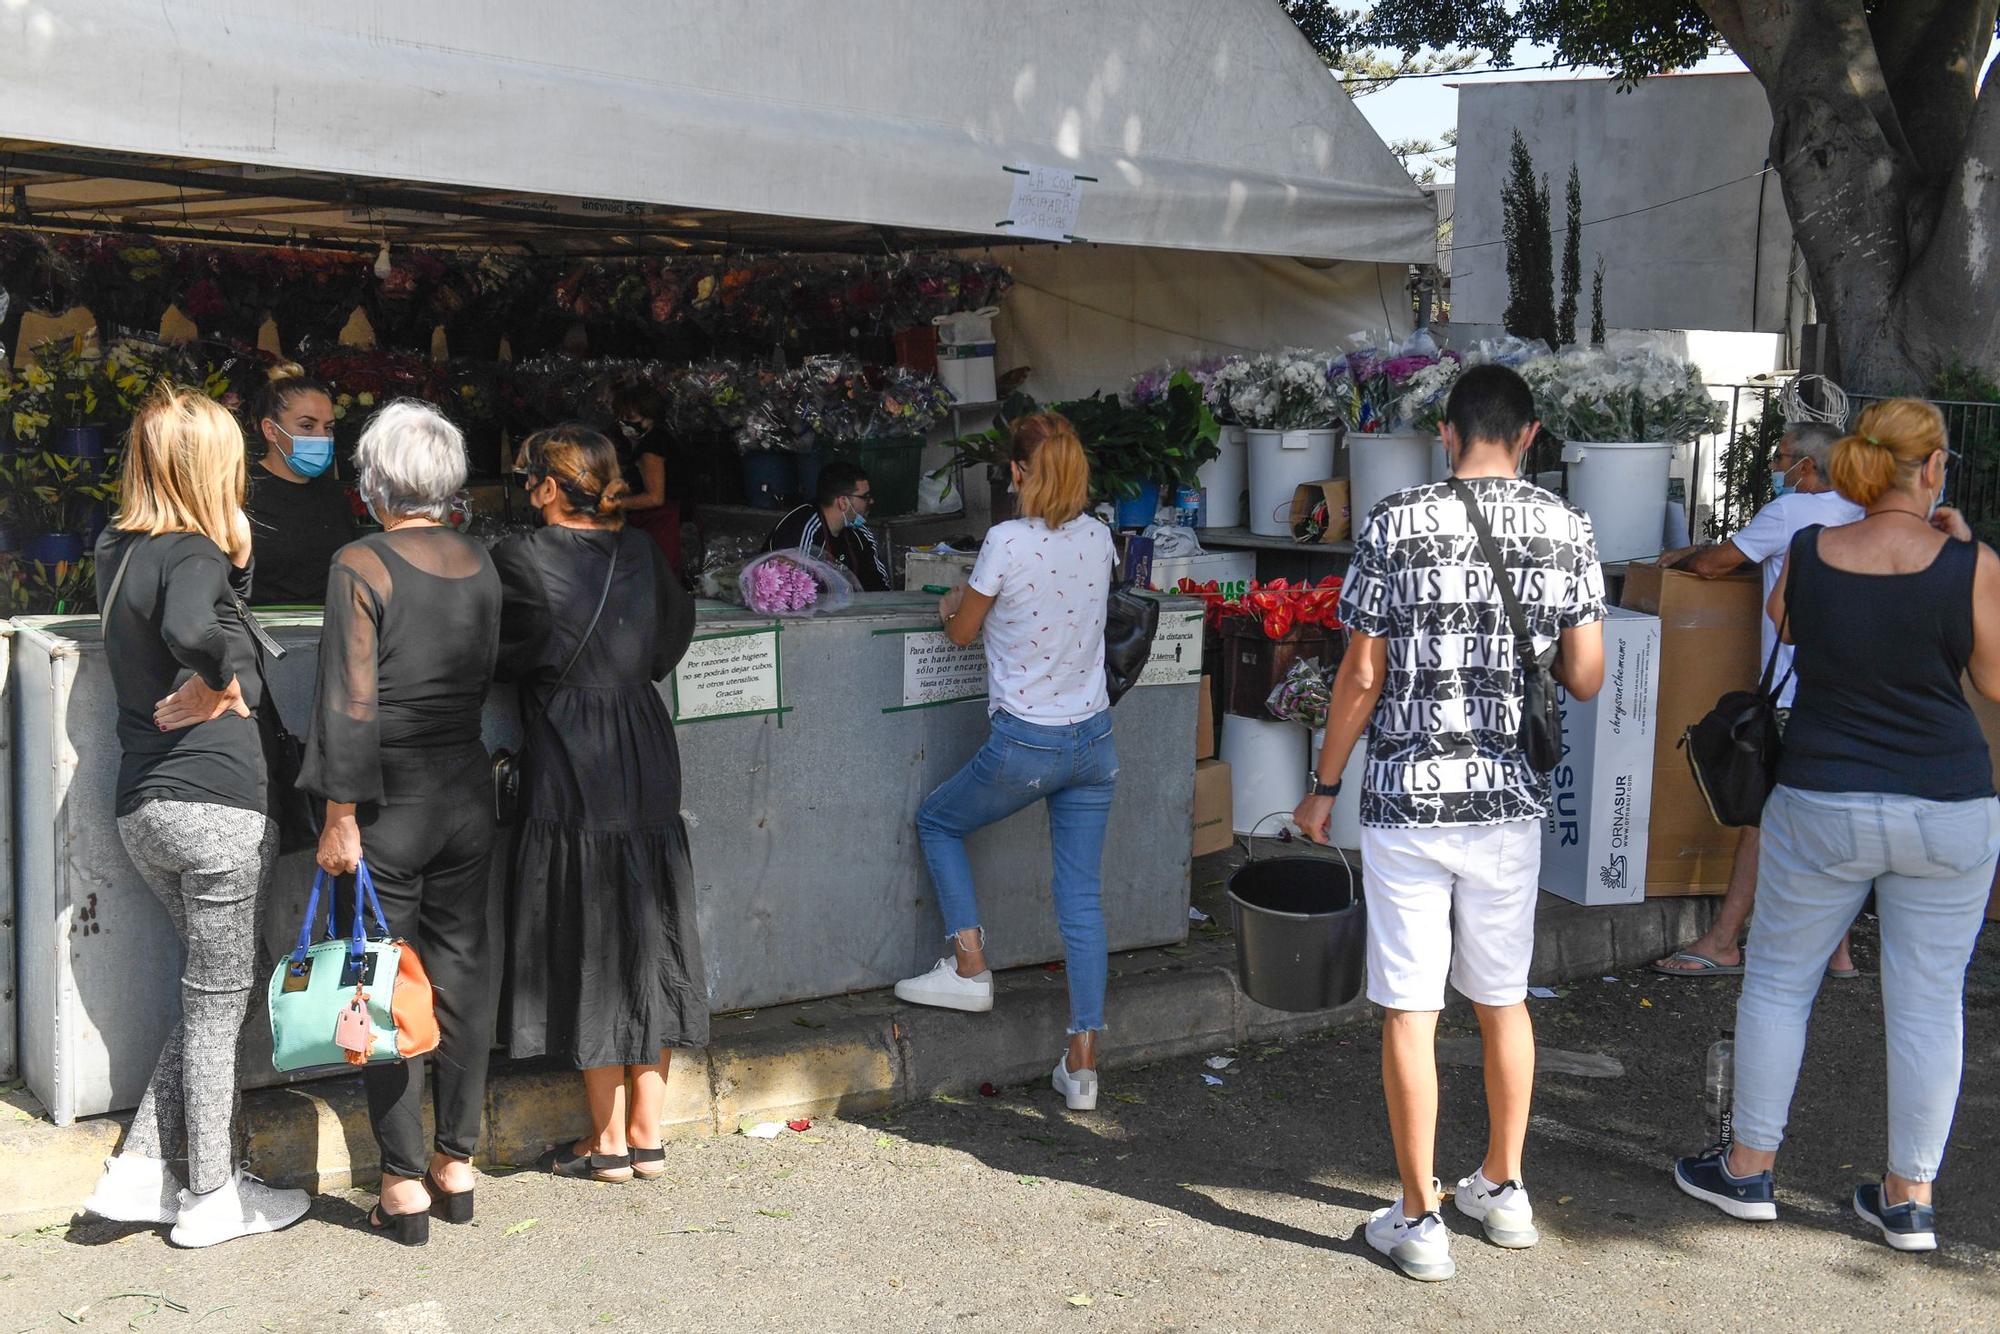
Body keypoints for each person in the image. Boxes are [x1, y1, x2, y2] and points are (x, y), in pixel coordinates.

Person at [1294, 365, 1606, 1283]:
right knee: (1502, 997)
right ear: (1531, 434)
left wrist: (1323, 783)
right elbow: (1586, 678)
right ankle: (1505, 1192)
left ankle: (1420, 1217)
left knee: (1410, 1005)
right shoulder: (1567, 528)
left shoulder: (1394, 522)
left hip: (1406, 798)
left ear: (1447, 431)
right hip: (1508, 802)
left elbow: (1360, 676)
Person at [1673, 399, 2000, 1254]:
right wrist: (1961, 553)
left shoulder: (1814, 552)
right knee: (1930, 1004)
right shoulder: (1970, 563)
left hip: (1824, 796)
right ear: (1932, 471)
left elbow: (1783, 624)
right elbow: (1997, 684)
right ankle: (1907, 1198)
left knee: (1780, 982)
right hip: (1947, 803)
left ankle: (1747, 1170)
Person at [81, 387, 310, 1247]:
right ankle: (212, 1196)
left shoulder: (120, 545)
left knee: (219, 989)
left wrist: (234, 559)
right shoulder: (191, 554)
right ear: (216, 468)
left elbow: (193, 601)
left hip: (146, 809)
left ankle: (140, 1172)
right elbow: (196, 621)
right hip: (215, 809)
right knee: (220, 1003)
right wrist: (224, 678)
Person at [300, 400, 502, 1247]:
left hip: (387, 807)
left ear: (374, 480)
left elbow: (349, 706)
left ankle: (402, 1181)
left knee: (378, 985)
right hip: (466, 793)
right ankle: (457, 1163)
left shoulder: (361, 563)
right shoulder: (481, 561)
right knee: (463, 975)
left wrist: (338, 816)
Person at [493, 425, 709, 1184]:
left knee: (591, 931)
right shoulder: (644, 555)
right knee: (650, 926)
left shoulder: (519, 558)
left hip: (569, 748)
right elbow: (665, 646)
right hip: (644, 741)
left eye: (529, 479)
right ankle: (648, 1136)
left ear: (549, 488)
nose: (525, 492)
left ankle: (606, 1141)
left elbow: (501, 653)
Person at [891, 412, 1120, 1110]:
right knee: (1081, 901)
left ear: (1017, 473)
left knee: (937, 821)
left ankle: (969, 965)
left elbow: (963, 630)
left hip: (1028, 742)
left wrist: (955, 603)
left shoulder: (1005, 541)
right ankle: (1082, 1064)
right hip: (1095, 740)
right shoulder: (1101, 536)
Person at [1653, 421, 1864, 980]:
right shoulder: (1863, 515)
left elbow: (1714, 565)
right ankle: (1839, 952)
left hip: (1793, 696)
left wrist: (1689, 553)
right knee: (1827, 822)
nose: (1774, 467)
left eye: (1781, 458)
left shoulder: (1791, 514)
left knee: (1761, 823)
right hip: (1847, 699)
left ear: (1808, 467)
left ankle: (1723, 942)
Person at [241, 363, 358, 605]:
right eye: (307, 426)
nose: (321, 437)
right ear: (271, 430)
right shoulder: (242, 493)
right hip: (261, 636)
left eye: (328, 428)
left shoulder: (334, 497)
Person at [761, 460, 889, 591]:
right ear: (843, 502)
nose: (871, 501)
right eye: (865, 497)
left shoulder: (859, 532)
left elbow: (879, 585)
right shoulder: (802, 529)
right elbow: (797, 592)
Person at [610, 381, 686, 576]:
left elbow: (654, 497)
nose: (625, 423)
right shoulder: (660, 438)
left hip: (659, 525)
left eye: (631, 417)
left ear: (650, 416)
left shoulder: (652, 447)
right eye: (621, 418)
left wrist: (613, 504)